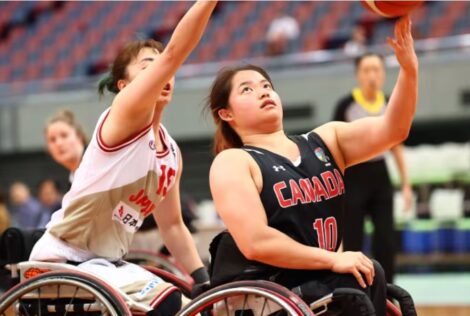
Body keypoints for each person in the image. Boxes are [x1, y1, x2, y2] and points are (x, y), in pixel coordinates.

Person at [207, 17, 417, 316]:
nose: (264, 91)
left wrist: (408, 71)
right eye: (247, 90)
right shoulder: (234, 161)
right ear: (226, 114)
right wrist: (331, 260)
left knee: (378, 280)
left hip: (321, 281)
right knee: (357, 280)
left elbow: (394, 129)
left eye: (267, 85)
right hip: (270, 290)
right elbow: (256, 242)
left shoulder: (325, 140)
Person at [30, 2, 217, 315]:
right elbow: (174, 54)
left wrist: (201, 278)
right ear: (125, 86)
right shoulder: (124, 116)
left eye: (161, 66)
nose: (163, 72)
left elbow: (172, 225)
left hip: (107, 264)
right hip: (64, 257)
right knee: (169, 305)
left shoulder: (171, 153)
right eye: (148, 66)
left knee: (191, 307)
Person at [333, 52, 413, 283]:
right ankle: (355, 294)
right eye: (367, 70)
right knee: (353, 242)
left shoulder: (390, 103)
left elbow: (397, 146)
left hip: (380, 177)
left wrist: (406, 185)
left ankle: (387, 294)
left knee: (386, 242)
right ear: (358, 74)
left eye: (376, 70)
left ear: (383, 74)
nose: (372, 75)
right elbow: (334, 147)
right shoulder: (346, 105)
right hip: (353, 176)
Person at [44, 109, 88, 183]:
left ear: (79, 137)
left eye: (64, 135)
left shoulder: (98, 161)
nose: (58, 143)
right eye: (52, 140)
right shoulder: (72, 180)